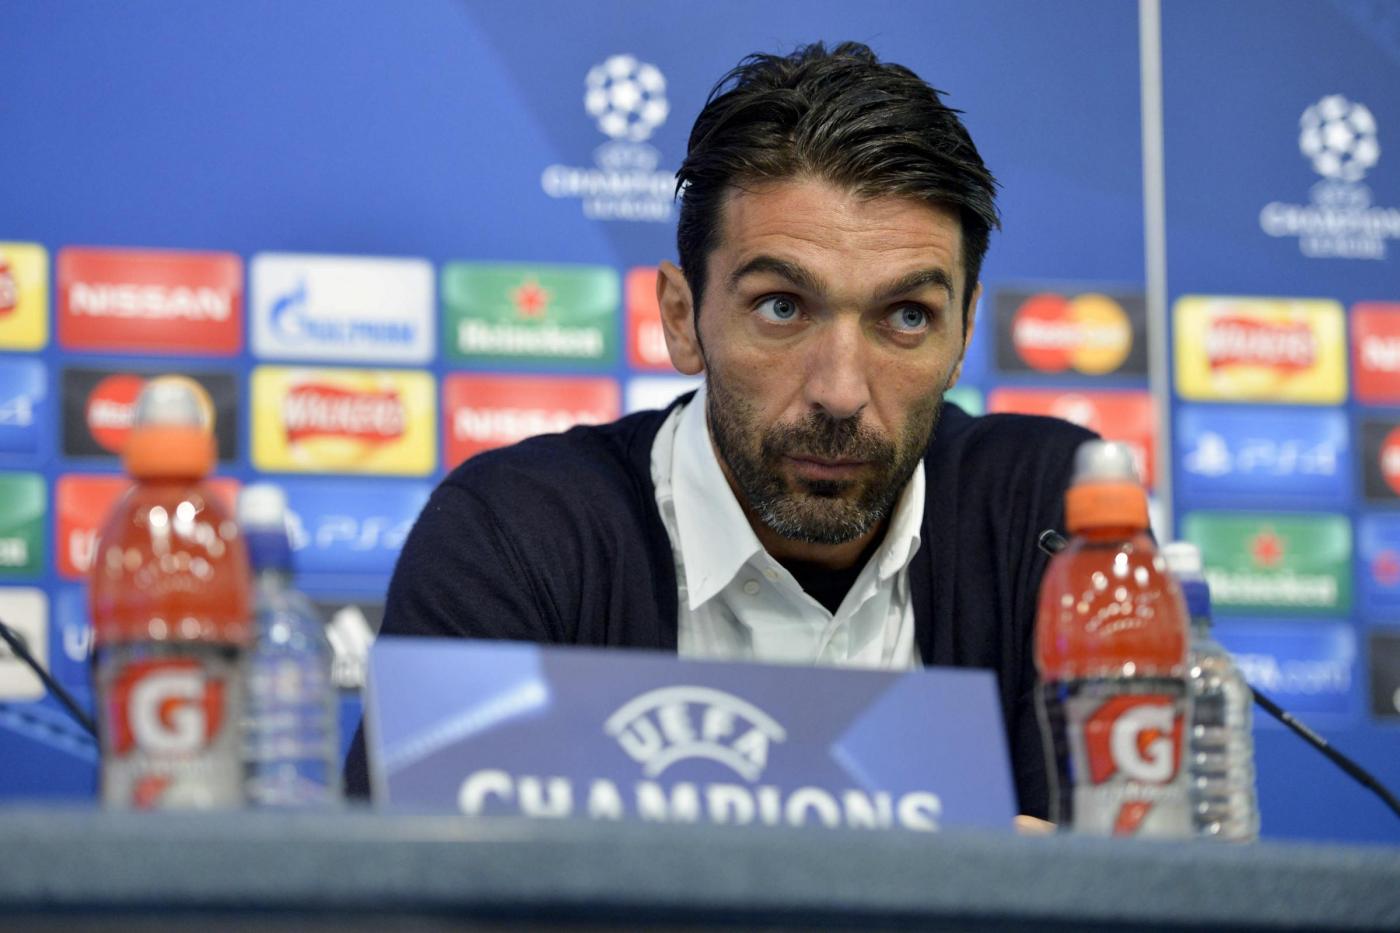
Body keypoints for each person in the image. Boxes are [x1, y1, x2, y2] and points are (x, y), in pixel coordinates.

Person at [345, 42, 1094, 818]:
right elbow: (403, 877)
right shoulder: (515, 537)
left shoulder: (1055, 522)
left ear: (965, 331)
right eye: (781, 307)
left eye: (907, 317)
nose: (841, 393)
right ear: (682, 317)